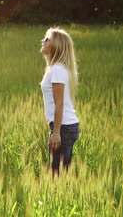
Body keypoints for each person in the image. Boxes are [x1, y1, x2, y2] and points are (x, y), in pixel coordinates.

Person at [40, 27, 80, 176]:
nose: (43, 41)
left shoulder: (57, 69)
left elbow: (59, 103)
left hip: (63, 127)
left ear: (56, 45)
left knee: (57, 174)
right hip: (65, 126)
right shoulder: (56, 68)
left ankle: (63, 198)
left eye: (47, 39)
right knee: (59, 171)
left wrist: (56, 133)